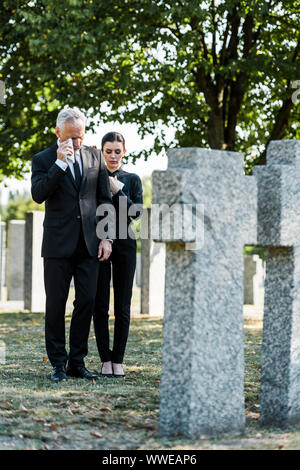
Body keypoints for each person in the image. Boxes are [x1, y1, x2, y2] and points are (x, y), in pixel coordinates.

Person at [31, 107, 113, 382]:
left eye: (80, 137)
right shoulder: (42, 159)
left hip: (89, 244)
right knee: (55, 304)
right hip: (57, 245)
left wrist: (107, 237)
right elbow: (39, 194)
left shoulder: (94, 156)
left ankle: (77, 361)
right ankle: (57, 363)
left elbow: (104, 199)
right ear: (57, 133)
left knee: (88, 300)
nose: (77, 143)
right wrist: (60, 164)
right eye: (71, 138)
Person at [93, 132, 143, 377]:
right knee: (99, 305)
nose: (113, 156)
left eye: (117, 151)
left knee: (122, 305)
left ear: (124, 152)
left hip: (125, 245)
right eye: (108, 151)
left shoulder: (132, 179)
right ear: (102, 152)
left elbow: (135, 214)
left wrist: (118, 192)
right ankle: (105, 359)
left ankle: (118, 359)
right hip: (100, 244)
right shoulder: (94, 177)